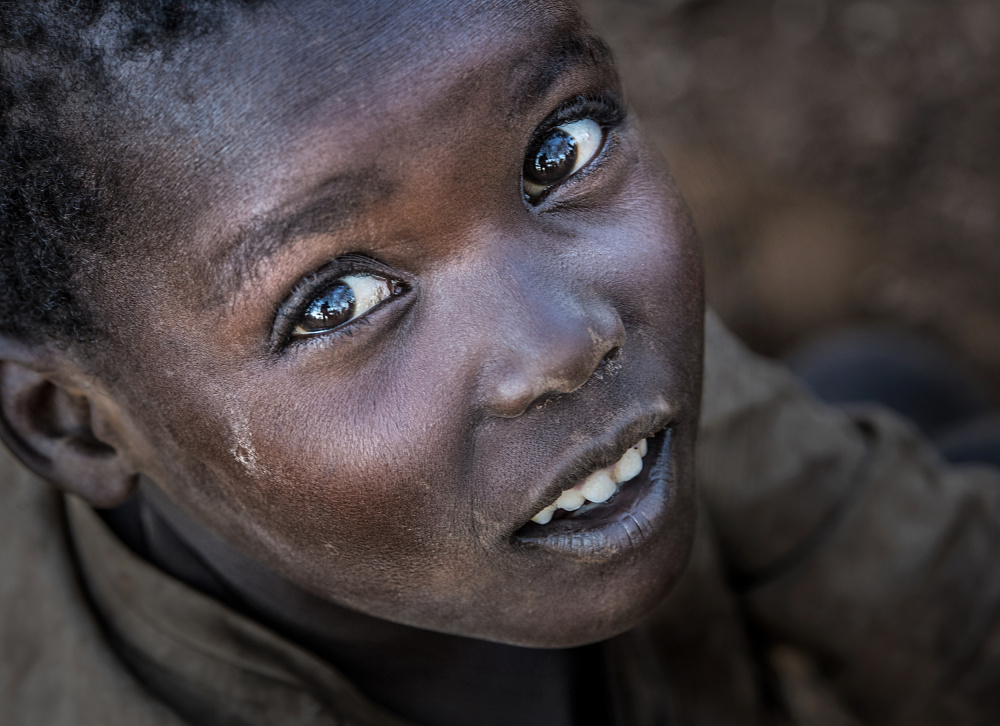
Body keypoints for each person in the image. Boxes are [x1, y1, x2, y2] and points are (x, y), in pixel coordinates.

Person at [1, 1, 998, 724]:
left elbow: (943, 597)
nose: (564, 345)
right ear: (73, 422)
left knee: (895, 387)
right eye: (336, 302)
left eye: (557, 150)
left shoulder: (582, 357)